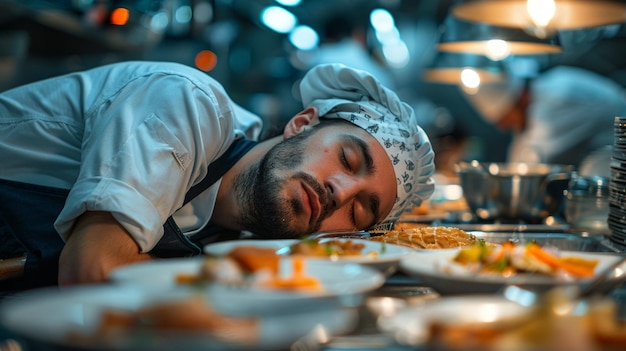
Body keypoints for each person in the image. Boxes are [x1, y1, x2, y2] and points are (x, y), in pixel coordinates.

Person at [0, 61, 435, 286]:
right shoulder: (186, 104)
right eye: (347, 159)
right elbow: (91, 270)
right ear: (302, 123)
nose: (341, 192)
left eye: (360, 210)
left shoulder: (243, 236)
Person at [466, 65, 626, 167]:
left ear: (518, 98)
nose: (502, 127)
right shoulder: (535, 103)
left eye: (504, 118)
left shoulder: (558, 96)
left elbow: (534, 161)